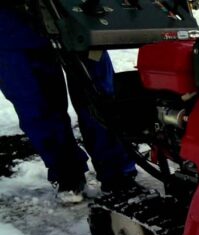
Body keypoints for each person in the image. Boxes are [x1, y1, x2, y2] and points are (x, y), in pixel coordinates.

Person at [0, 2, 137, 203]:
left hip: (78, 11)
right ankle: (66, 172)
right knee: (35, 103)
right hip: (11, 24)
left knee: (99, 95)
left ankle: (117, 171)